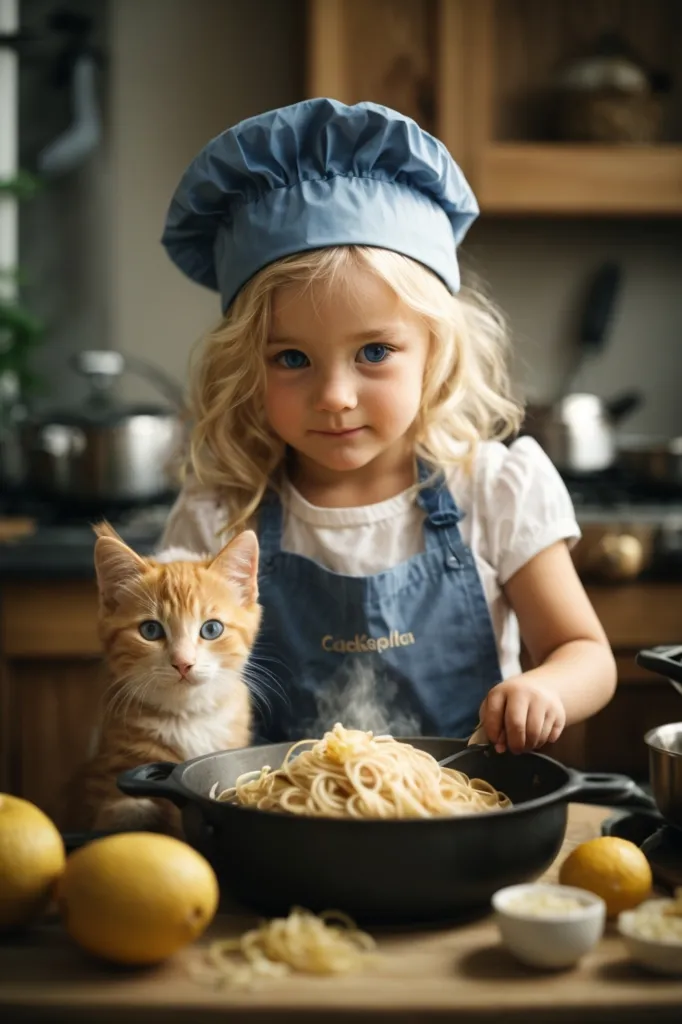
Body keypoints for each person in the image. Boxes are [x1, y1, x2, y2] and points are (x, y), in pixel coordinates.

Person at [158, 97, 617, 752]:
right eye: (293, 359)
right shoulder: (218, 517)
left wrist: (547, 688)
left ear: (437, 350)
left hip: (464, 827)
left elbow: (585, 652)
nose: (335, 396)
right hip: (276, 836)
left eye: (374, 353)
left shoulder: (491, 490)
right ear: (245, 368)